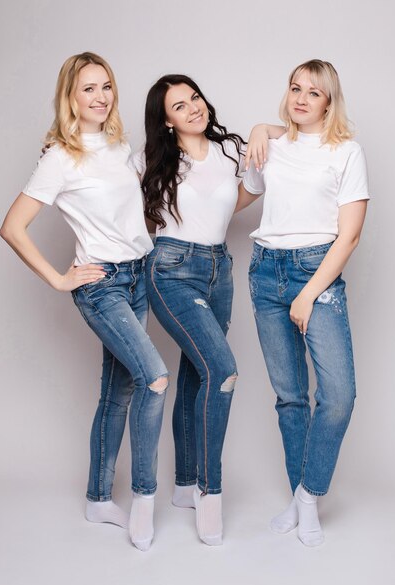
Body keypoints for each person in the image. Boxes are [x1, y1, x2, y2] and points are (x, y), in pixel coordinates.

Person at [0, 52, 168, 552]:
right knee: (154, 378)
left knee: (117, 393)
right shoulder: (60, 157)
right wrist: (58, 278)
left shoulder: (119, 147)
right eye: (88, 89)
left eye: (106, 87)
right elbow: (12, 227)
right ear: (70, 97)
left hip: (138, 275)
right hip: (102, 286)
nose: (99, 97)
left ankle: (97, 498)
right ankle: (143, 497)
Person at [237, 59, 369, 546]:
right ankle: (299, 494)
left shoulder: (346, 152)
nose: (301, 99)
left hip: (317, 273)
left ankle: (310, 493)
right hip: (265, 270)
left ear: (329, 102)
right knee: (290, 396)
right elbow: (233, 201)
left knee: (337, 396)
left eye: (313, 93)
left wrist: (309, 293)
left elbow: (350, 235)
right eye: (295, 88)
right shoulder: (269, 146)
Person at [132, 74, 245, 546]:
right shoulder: (151, 161)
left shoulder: (230, 151)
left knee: (198, 374)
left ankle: (182, 484)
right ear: (166, 119)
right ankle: (208, 489)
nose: (193, 108)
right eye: (180, 105)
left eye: (194, 98)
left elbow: (247, 189)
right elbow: (111, 196)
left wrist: (263, 129)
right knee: (222, 369)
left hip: (220, 267)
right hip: (172, 268)